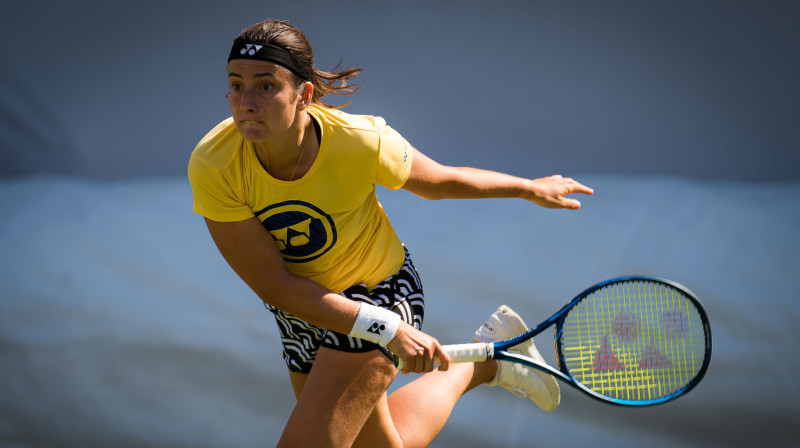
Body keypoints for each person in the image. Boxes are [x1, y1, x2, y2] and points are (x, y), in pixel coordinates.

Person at [188, 18, 594, 448]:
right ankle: (487, 363)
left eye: (265, 86)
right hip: (303, 312)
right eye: (236, 85)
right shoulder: (214, 164)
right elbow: (276, 285)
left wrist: (530, 188)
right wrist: (382, 331)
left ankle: (485, 362)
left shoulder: (361, 141)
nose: (245, 102)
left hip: (378, 291)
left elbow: (440, 181)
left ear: (304, 94)